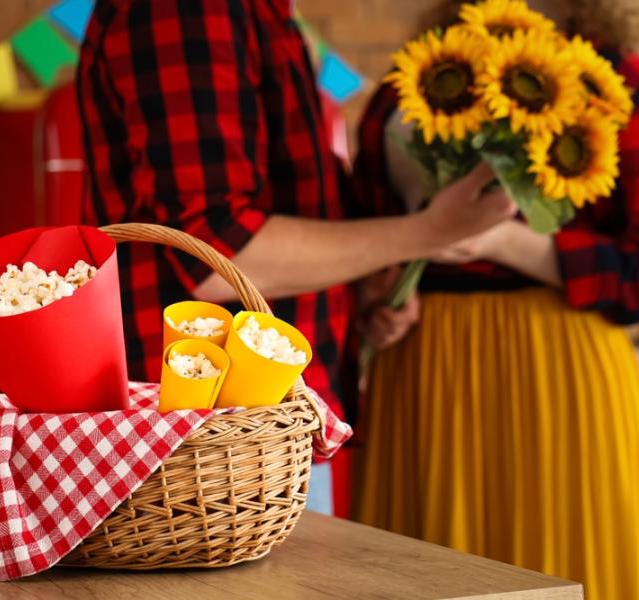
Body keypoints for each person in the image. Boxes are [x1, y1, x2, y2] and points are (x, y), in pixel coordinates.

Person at [76, 0, 514, 515]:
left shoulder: (260, 12)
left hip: (258, 427)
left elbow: (283, 206)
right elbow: (221, 258)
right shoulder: (190, 9)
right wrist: (425, 233)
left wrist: (362, 282)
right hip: (209, 439)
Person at [351, 1, 639, 598]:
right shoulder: (411, 84)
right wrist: (379, 300)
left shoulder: (621, 83)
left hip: (563, 379)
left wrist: (504, 238)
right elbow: (365, 244)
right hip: (424, 374)